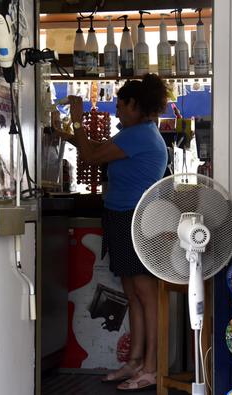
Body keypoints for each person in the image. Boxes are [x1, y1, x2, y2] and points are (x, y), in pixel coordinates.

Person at [68, 74, 169, 392]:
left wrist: (76, 122)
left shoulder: (139, 134)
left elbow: (92, 155)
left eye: (120, 105)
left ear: (135, 106)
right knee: (131, 292)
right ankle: (135, 361)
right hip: (121, 216)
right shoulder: (135, 133)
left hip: (135, 219)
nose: (116, 112)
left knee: (146, 296)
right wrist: (67, 133)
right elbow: (98, 148)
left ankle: (152, 367)